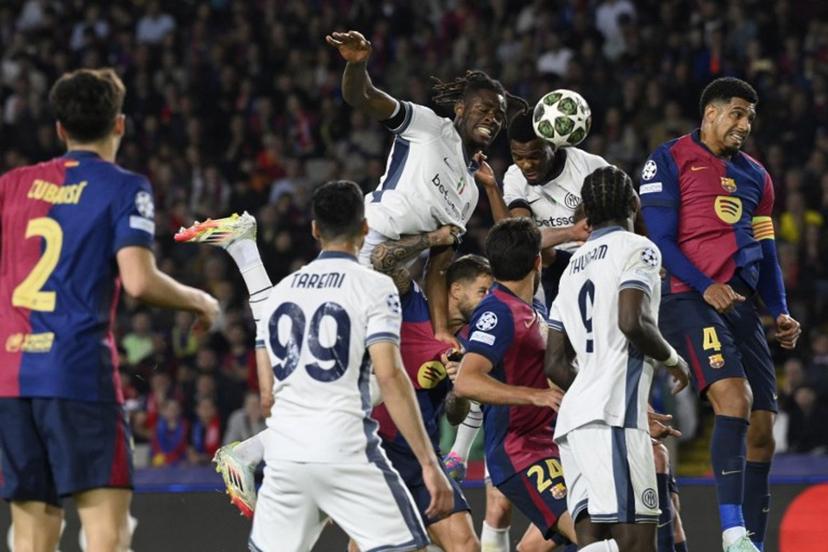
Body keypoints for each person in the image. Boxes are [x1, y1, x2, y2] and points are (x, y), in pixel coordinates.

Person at [0, 68, 219, 552]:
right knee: (105, 534)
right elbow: (139, 280)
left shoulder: (12, 185)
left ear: (59, 129)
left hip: (12, 378)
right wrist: (199, 300)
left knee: (31, 535)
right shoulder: (125, 187)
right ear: (119, 124)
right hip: (78, 374)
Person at [640, 77, 802, 551]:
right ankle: (731, 532)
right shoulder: (669, 159)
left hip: (739, 304)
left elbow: (766, 252)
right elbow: (662, 241)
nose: (744, 124)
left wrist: (781, 311)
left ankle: (750, 541)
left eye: (749, 116)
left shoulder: (757, 177)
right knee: (733, 399)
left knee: (763, 432)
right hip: (687, 297)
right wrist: (704, 285)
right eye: (736, 113)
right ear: (709, 113)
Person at [248, 180, 452, 552]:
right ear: (364, 228)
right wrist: (429, 463)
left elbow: (266, 399)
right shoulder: (375, 288)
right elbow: (390, 377)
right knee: (409, 548)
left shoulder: (279, 294)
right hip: (347, 450)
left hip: (286, 458)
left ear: (314, 229)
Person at [325, 30, 527, 348]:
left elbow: (438, 267)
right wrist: (357, 66)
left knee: (366, 378)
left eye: (498, 115)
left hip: (389, 275)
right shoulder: (428, 127)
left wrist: (442, 331)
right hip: (360, 247)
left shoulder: (470, 193)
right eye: (484, 109)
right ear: (460, 108)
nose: (492, 118)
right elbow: (361, 97)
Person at [545, 165, 690, 552]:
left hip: (574, 423)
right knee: (638, 543)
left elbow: (555, 364)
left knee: (594, 543)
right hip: (613, 419)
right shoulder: (638, 248)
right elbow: (632, 321)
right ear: (634, 202)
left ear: (587, 212)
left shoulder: (570, 268)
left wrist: (592, 392)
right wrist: (675, 359)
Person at [453, 218, 577, 549]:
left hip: (555, 444)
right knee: (591, 533)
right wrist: (535, 397)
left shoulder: (532, 307)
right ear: (538, 261)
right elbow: (466, 380)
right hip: (522, 451)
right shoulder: (497, 312)